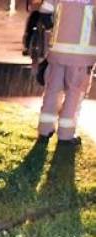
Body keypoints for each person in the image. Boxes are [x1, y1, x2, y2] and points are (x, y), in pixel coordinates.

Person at [37, 0, 96, 146]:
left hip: (57, 52)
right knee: (73, 95)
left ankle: (45, 130)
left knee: (52, 91)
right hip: (82, 56)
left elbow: (45, 13)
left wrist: (59, 28)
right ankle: (66, 135)